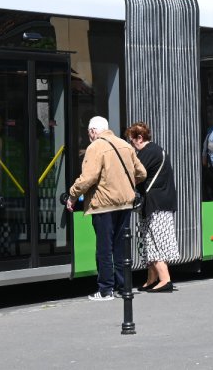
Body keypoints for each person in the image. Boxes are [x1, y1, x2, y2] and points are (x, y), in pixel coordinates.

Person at [69, 116, 146, 301]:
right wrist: (124, 185)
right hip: (125, 204)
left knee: (104, 249)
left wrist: (73, 194)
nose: (89, 136)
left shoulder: (95, 147)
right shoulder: (125, 145)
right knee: (120, 248)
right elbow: (142, 173)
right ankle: (123, 286)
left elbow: (88, 178)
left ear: (93, 131)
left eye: (89, 133)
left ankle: (105, 290)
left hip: (103, 206)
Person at [126, 122, 180, 293]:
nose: (131, 145)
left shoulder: (148, 152)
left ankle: (165, 279)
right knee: (149, 240)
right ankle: (152, 279)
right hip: (157, 204)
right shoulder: (156, 150)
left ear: (139, 138)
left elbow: (136, 174)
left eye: (132, 141)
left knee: (155, 241)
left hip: (156, 205)